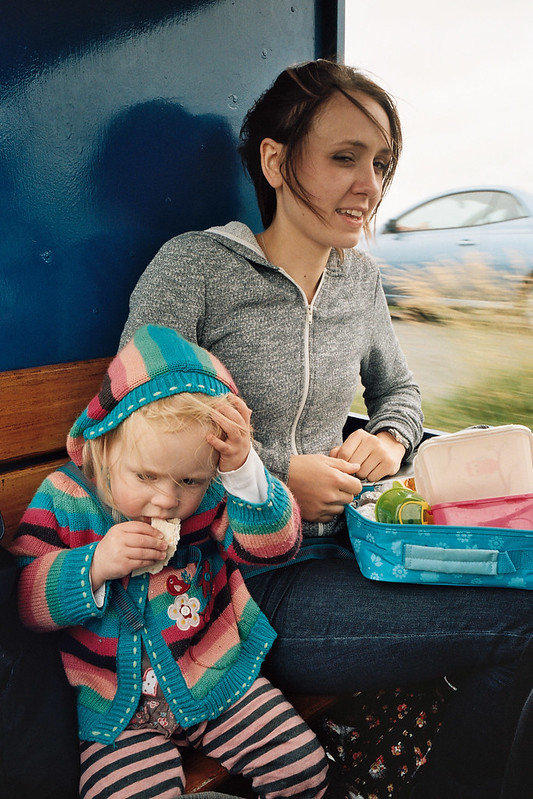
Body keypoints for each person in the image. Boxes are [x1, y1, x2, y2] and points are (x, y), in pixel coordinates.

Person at [118, 60, 533, 799]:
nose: (369, 187)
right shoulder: (196, 269)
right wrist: (275, 480)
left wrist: (389, 439)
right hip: (226, 586)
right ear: (276, 161)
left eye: (379, 163)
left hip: (349, 552)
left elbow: (399, 389)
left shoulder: (360, 278)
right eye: (344, 158)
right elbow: (139, 433)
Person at [10, 324, 329, 799]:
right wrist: (93, 565)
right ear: (103, 448)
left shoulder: (213, 499)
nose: (166, 499)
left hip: (214, 677)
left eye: (189, 481)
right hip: (113, 714)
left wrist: (245, 476)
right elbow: (22, 602)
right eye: (146, 475)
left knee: (304, 767)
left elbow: (274, 547)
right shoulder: (65, 499)